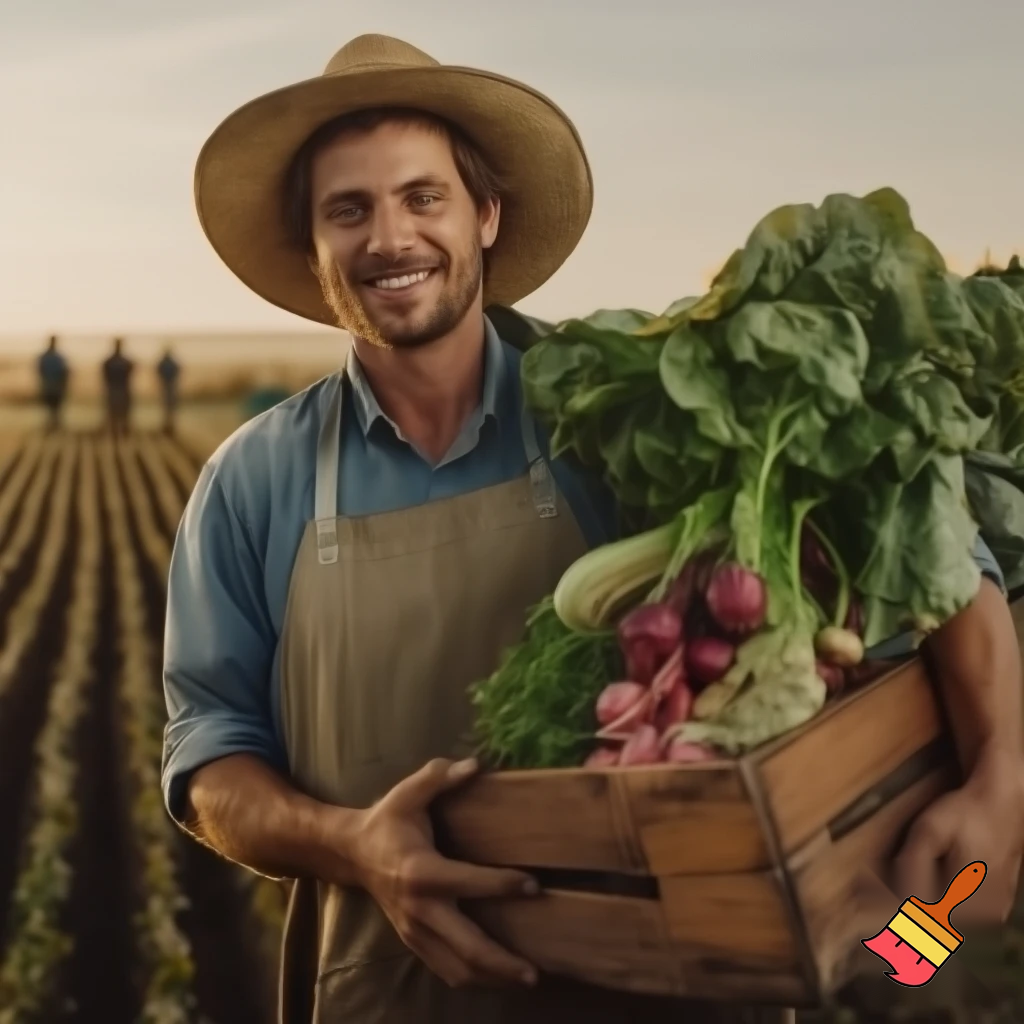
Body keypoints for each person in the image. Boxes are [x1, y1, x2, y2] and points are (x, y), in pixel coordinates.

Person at [160, 34, 1024, 1024]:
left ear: (485, 214)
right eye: (347, 210)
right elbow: (211, 752)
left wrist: (1001, 772)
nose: (390, 237)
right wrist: (351, 843)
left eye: (422, 197)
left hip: (668, 990)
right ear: (312, 252)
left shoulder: (619, 401)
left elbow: (927, 529)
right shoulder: (251, 480)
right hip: (387, 994)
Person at [102, 337, 134, 435]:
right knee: (118, 411)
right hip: (119, 389)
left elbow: (105, 374)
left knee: (118, 411)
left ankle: (119, 429)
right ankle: (118, 429)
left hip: (117, 389)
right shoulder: (125, 362)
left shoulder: (110, 361)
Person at [37, 335, 69, 431]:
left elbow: (65, 373)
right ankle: (52, 426)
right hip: (50, 386)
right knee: (51, 409)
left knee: (55, 409)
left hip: (54, 387)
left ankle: (54, 426)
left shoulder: (55, 357)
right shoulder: (56, 358)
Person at [156, 346, 181, 434]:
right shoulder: (172, 363)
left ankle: (168, 426)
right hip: (169, 387)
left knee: (168, 407)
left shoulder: (165, 363)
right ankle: (168, 426)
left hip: (168, 387)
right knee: (169, 408)